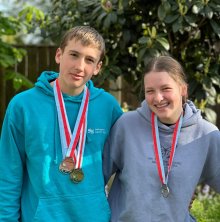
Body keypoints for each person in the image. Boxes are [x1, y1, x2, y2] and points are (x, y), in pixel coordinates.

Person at [0, 26, 123, 222]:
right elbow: (8, 172)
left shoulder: (107, 107)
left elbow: (131, 159)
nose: (79, 66)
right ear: (59, 55)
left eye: (89, 60)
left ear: (98, 67)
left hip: (94, 217)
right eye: (73, 55)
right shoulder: (23, 106)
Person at [103, 55, 220, 222]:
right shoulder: (126, 126)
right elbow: (95, 179)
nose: (158, 98)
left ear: (183, 89)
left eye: (165, 88)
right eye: (150, 91)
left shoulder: (206, 135)